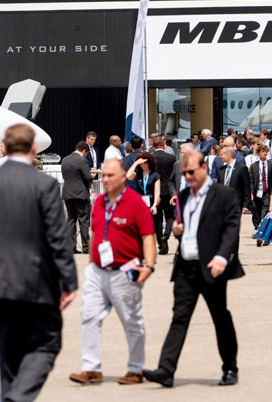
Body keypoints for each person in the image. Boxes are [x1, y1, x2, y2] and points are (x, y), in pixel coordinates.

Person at [0, 124, 78, 402]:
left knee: (9, 354)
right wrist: (69, 281)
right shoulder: (44, 184)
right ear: (33, 149)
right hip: (36, 282)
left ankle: (11, 396)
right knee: (48, 344)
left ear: (5, 148)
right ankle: (17, 398)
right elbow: (57, 237)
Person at [143, 151, 243, 388]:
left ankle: (230, 368)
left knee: (220, 318)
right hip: (186, 267)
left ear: (204, 169)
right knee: (179, 317)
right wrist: (178, 231)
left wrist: (222, 257)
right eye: (184, 173)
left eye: (191, 172)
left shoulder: (224, 195)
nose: (187, 177)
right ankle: (166, 370)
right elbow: (187, 227)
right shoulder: (185, 195)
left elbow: (231, 229)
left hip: (212, 267)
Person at [69, 159, 156, 385]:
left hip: (125, 271)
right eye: (103, 176)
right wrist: (91, 264)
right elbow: (96, 233)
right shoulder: (99, 202)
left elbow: (148, 236)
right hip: (98, 271)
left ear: (122, 176)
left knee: (131, 321)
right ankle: (91, 368)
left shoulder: (135, 202)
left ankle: (135, 369)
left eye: (110, 176)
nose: (105, 179)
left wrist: (148, 266)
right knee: (88, 316)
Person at [62, 141, 94, 253]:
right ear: (84, 151)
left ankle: (71, 248)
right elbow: (87, 177)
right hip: (80, 194)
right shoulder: (82, 160)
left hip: (67, 193)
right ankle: (86, 248)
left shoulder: (65, 159)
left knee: (70, 220)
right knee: (84, 221)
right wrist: (92, 176)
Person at [153, 137, 177, 255]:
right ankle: (166, 236)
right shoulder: (171, 158)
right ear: (164, 144)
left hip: (155, 191)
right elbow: (174, 175)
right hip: (168, 190)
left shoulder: (150, 157)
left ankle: (160, 242)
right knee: (170, 216)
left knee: (157, 219)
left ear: (153, 145)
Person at [248, 144, 272, 246]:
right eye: (262, 152)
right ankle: (263, 233)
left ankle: (261, 235)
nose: (264, 153)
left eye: (266, 152)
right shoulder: (254, 166)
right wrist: (251, 192)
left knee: (265, 214)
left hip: (267, 192)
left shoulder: (271, 164)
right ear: (259, 153)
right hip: (257, 192)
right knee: (258, 214)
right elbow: (251, 181)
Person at [216, 147, 250, 216]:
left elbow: (246, 188)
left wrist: (246, 205)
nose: (220, 157)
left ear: (228, 155)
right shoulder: (222, 170)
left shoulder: (241, 168)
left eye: (222, 155)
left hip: (236, 204)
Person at [126, 152, 160, 217]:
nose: (143, 165)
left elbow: (157, 191)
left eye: (145, 163)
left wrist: (154, 205)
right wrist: (136, 163)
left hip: (151, 202)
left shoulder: (155, 175)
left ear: (149, 163)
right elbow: (128, 176)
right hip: (141, 202)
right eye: (141, 164)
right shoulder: (138, 174)